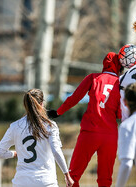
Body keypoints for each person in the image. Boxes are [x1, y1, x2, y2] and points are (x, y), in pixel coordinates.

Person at [47, 52, 122, 187]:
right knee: (105, 178)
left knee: (73, 175)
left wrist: (58, 112)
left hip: (90, 132)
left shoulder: (93, 78)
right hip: (110, 135)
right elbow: (120, 114)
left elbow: (75, 98)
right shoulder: (121, 83)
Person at [0, 88, 73, 187]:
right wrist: (67, 175)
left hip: (21, 182)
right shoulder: (50, 125)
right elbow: (56, 150)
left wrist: (14, 153)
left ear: (25, 105)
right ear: (42, 104)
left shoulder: (15, 126)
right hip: (45, 181)